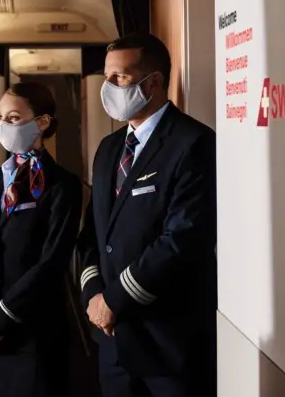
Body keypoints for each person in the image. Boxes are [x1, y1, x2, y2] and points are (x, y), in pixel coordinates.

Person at [77, 33, 218, 397]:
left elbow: (182, 238)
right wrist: (95, 297)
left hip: (169, 342)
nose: (108, 87)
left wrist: (114, 300)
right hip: (113, 339)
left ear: (153, 83)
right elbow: (93, 233)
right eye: (106, 77)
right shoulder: (108, 149)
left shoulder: (193, 142)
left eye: (119, 78)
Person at [0, 82, 82, 397]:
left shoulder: (63, 185)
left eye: (13, 117)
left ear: (42, 122)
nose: (4, 125)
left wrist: (2, 317)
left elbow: (52, 262)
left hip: (33, 330)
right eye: (1, 118)